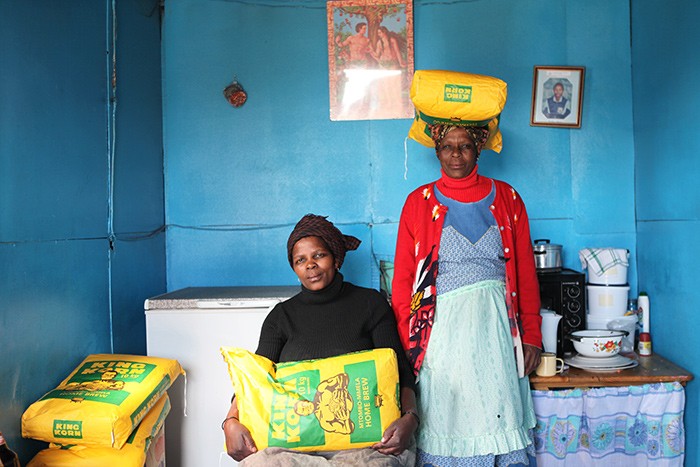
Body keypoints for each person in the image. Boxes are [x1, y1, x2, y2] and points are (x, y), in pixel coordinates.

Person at [392, 124, 543, 466]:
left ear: (479, 149)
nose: (456, 154)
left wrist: (532, 335)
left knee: (497, 413)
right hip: (442, 336)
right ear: (437, 151)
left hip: (497, 332)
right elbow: (403, 281)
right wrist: (410, 347)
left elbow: (525, 273)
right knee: (449, 418)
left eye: (465, 146)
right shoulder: (418, 203)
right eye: (447, 146)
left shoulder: (508, 198)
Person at [223, 214, 419, 466]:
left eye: (319, 255)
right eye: (300, 260)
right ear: (294, 268)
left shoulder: (370, 304)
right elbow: (255, 378)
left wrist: (410, 418)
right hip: (295, 447)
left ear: (336, 259)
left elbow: (401, 371)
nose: (310, 265)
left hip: (363, 446)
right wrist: (230, 422)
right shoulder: (281, 317)